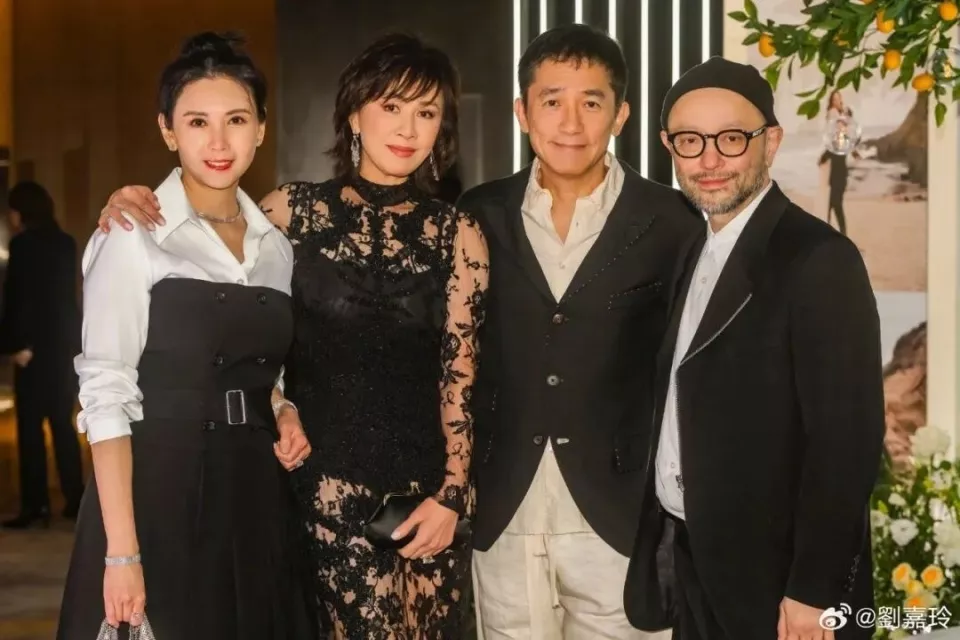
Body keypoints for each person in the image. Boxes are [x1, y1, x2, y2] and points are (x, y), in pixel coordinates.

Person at [92, 33, 488, 639]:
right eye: (390, 105)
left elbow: (461, 379)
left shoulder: (458, 233)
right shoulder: (287, 214)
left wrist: (453, 494)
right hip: (319, 491)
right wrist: (131, 200)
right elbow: (222, 280)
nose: (408, 128)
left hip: (428, 494)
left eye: (426, 112)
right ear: (353, 113)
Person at [57, 32, 313, 640]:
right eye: (197, 122)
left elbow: (264, 369)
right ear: (168, 131)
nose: (218, 142)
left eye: (236, 120)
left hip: (255, 494)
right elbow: (106, 392)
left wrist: (284, 409)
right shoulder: (131, 233)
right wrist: (122, 552)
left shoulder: (276, 248)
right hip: (158, 492)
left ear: (261, 128)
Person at [623, 56, 884, 640]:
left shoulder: (818, 259)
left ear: (771, 141)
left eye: (731, 138)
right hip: (694, 564)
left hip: (779, 584)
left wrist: (814, 590)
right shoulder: (693, 248)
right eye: (691, 140)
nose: (709, 159)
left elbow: (847, 441)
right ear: (669, 147)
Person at [456, 24, 697, 639]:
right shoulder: (477, 214)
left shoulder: (672, 221)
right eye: (551, 101)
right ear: (522, 112)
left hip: (619, 516)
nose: (570, 123)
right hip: (506, 508)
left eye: (591, 102)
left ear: (620, 114)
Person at [0, 180, 84, 528]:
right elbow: (64, 300)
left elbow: (19, 300)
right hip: (61, 348)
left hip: (32, 350)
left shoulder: (22, 246)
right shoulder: (66, 244)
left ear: (22, 211)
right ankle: (75, 499)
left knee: (31, 429)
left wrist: (15, 345)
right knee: (62, 425)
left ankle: (36, 505)